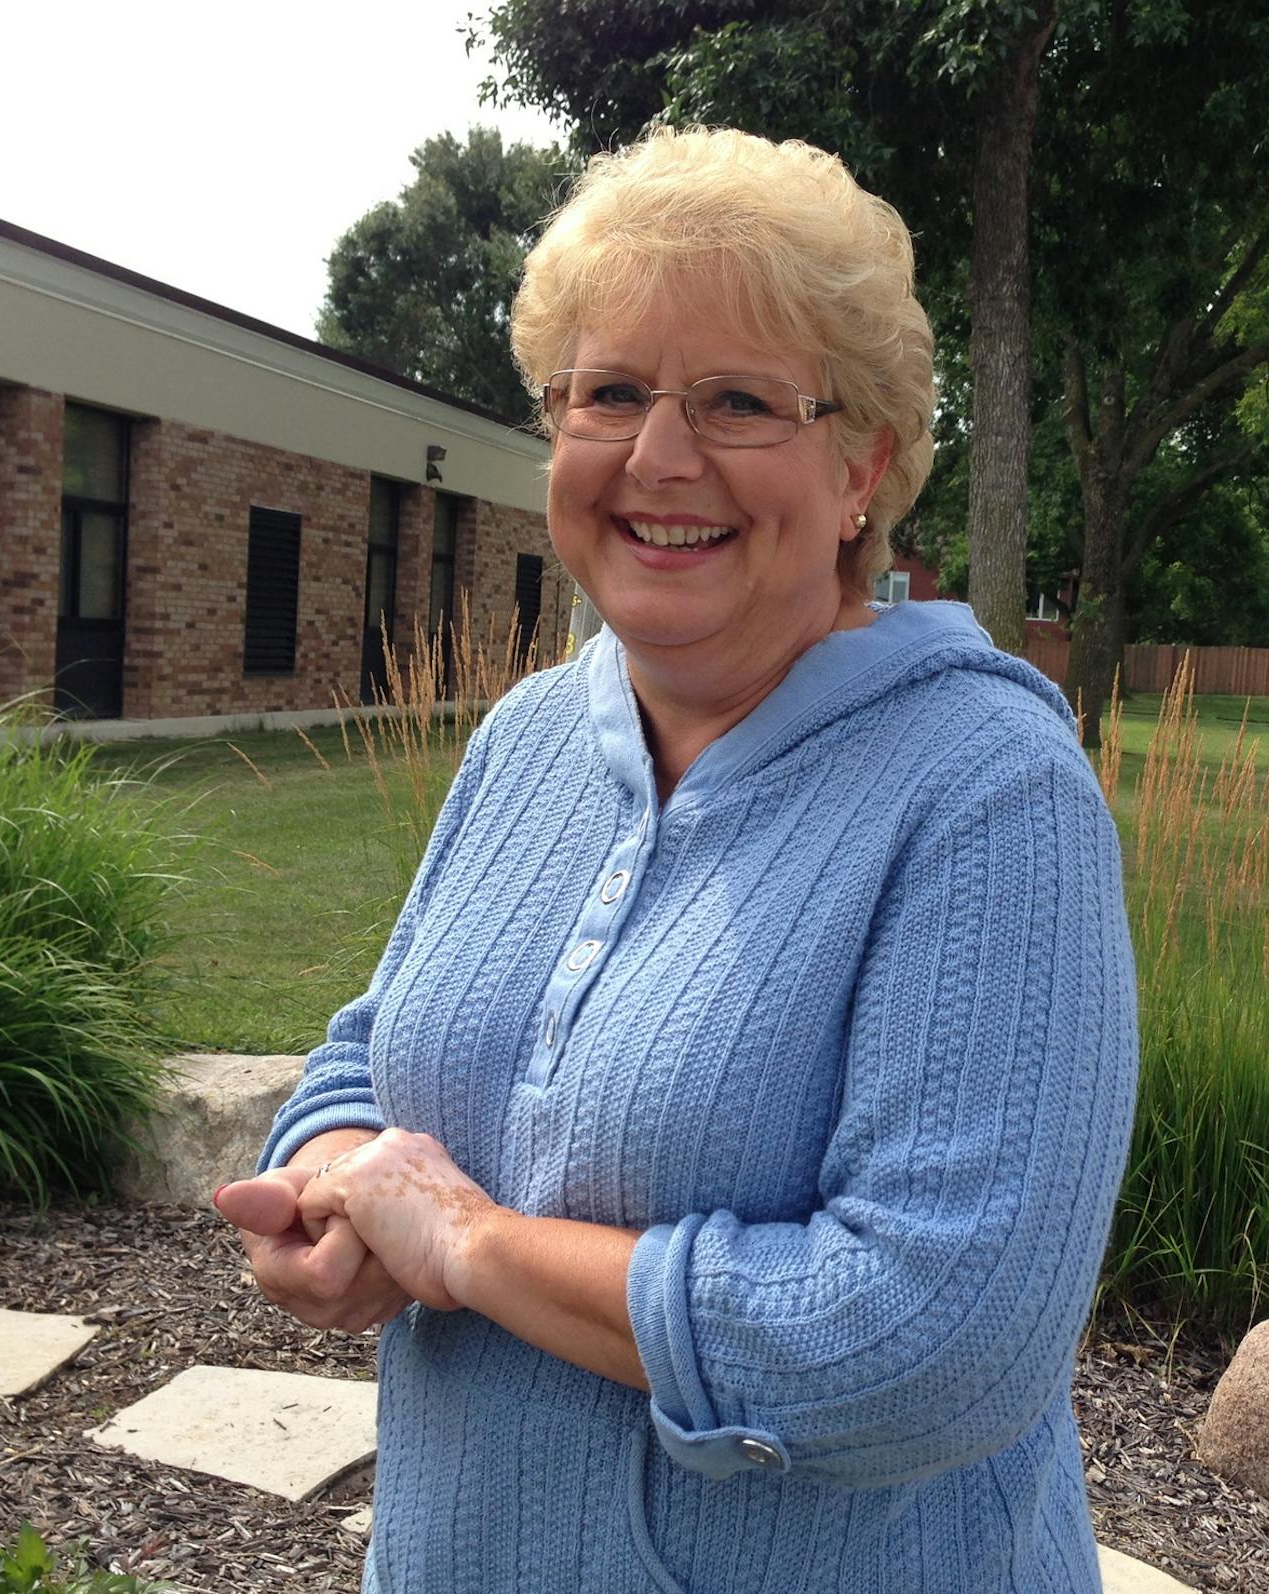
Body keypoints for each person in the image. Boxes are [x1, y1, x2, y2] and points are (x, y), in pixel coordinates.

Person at [214, 125, 1138, 1593]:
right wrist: (332, 1185)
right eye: (613, 392)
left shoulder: (988, 790)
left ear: (865, 468)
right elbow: (367, 1057)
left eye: (736, 400)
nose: (657, 455)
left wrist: (468, 1250)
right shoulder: (527, 736)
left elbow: (934, 1337)